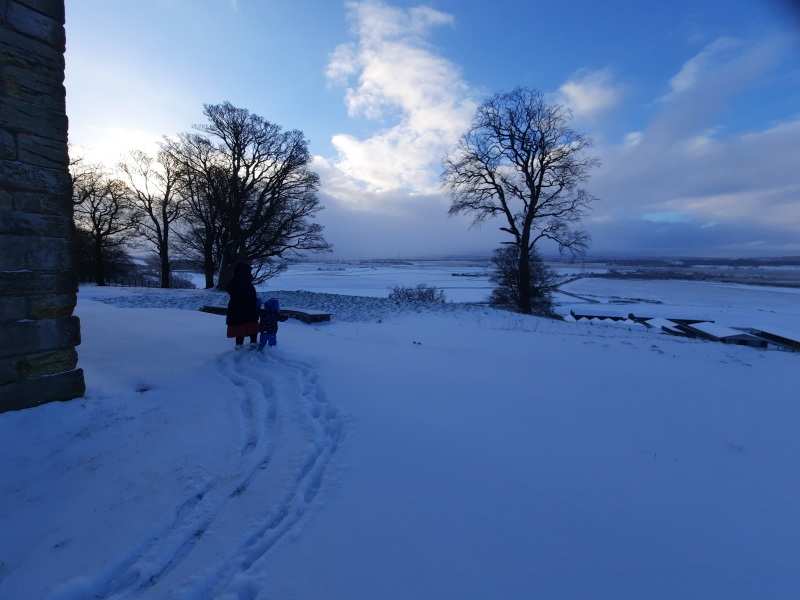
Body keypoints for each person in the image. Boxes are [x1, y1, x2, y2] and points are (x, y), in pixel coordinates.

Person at [226, 262, 260, 350]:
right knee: (251, 325)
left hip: (235, 308)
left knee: (239, 327)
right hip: (248, 308)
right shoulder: (245, 282)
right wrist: (256, 301)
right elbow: (247, 295)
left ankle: (239, 345)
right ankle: (253, 343)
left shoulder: (233, 281)